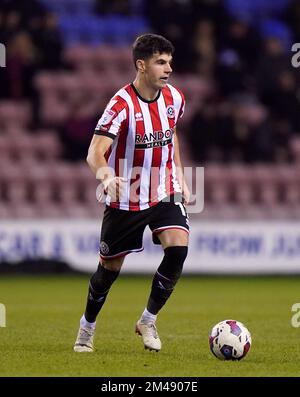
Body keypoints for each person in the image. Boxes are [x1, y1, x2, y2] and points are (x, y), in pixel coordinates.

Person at [74, 33, 190, 353]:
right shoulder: (121, 104)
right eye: (160, 62)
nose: (168, 69)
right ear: (141, 65)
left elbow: (172, 134)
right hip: (127, 195)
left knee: (178, 249)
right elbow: (95, 151)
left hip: (165, 189)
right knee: (108, 272)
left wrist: (178, 173)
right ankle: (87, 327)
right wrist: (106, 175)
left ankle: (148, 319)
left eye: (169, 62)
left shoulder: (175, 98)